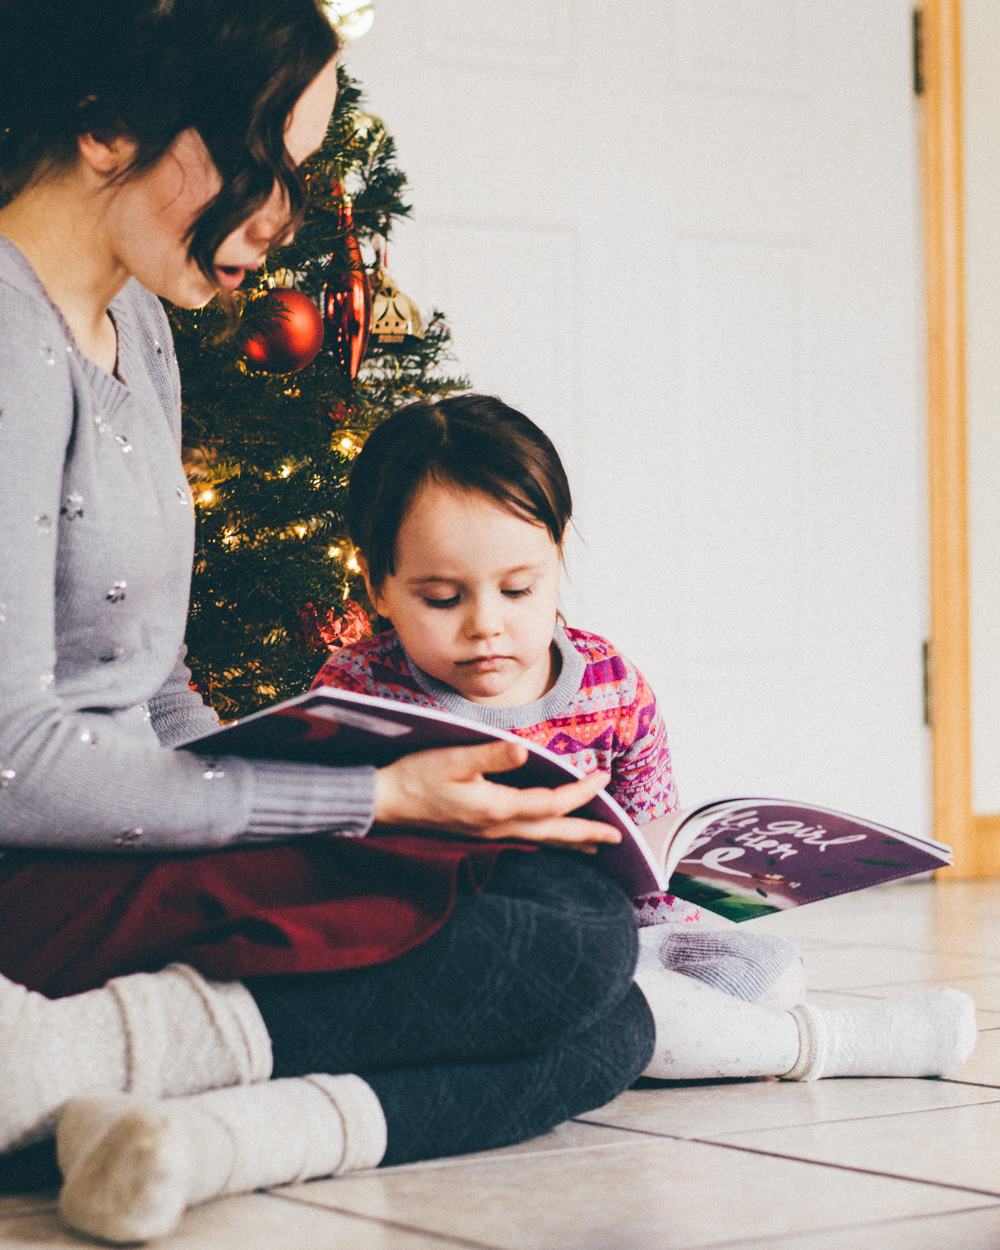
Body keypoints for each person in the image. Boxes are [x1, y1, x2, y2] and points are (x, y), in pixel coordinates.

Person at [0, 1, 977, 1244]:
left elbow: (150, 694)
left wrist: (326, 766)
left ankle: (197, 1132)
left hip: (123, 843)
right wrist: (369, 803)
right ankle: (43, 1062)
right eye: (262, 156)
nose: (281, 216)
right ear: (105, 126)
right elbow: (16, 759)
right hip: (36, 867)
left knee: (597, 983)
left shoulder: (136, 318)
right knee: (563, 957)